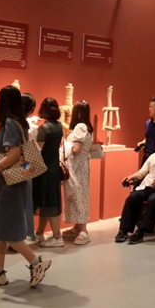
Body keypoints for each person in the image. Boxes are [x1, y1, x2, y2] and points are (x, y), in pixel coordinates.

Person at [0, 86, 50, 288]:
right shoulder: (18, 122)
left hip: (8, 184)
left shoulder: (10, 123)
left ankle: (36, 262)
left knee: (6, 230)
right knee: (0, 228)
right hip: (10, 183)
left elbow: (14, 154)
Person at [32, 98, 63, 248]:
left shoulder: (44, 128)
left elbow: (38, 150)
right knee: (48, 201)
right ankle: (39, 233)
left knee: (49, 203)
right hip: (54, 167)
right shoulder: (59, 126)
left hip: (44, 170)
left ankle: (57, 236)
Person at [62, 101, 93, 245]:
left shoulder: (80, 127)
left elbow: (76, 149)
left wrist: (64, 146)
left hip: (77, 166)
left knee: (78, 194)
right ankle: (77, 227)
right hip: (81, 165)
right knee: (77, 194)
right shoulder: (86, 127)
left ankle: (83, 230)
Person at [21, 92, 37, 242]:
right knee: (25, 196)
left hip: (19, 162)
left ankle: (23, 232)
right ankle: (25, 232)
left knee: (23, 197)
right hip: (24, 161)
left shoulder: (14, 123)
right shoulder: (28, 126)